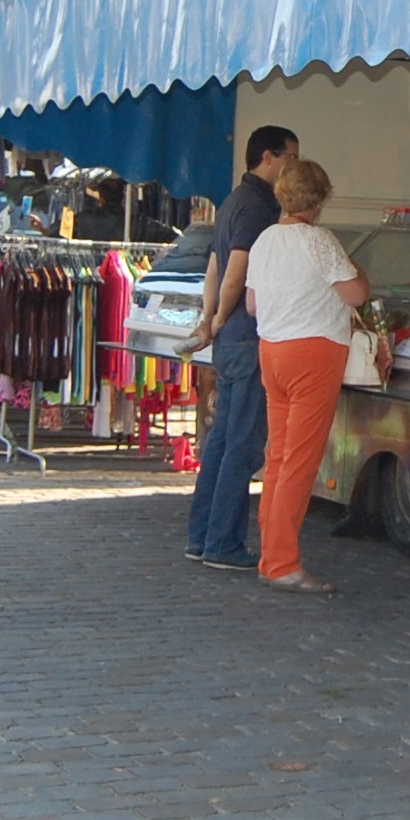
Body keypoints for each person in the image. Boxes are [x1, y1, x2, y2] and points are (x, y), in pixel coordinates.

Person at [243, 158, 366, 595]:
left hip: (272, 351)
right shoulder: (320, 241)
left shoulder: (264, 241)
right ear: (319, 199)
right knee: (300, 460)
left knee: (278, 456)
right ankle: (283, 564)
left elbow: (253, 305)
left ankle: (269, 555)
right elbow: (356, 292)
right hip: (314, 353)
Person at [181, 126, 301, 571]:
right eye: (291, 157)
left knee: (221, 442)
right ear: (269, 157)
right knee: (242, 446)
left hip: (230, 338)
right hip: (249, 337)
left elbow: (214, 267)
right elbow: (236, 269)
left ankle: (201, 537)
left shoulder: (232, 201)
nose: (294, 165)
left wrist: (211, 318)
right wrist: (217, 316)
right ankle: (223, 543)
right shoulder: (256, 206)